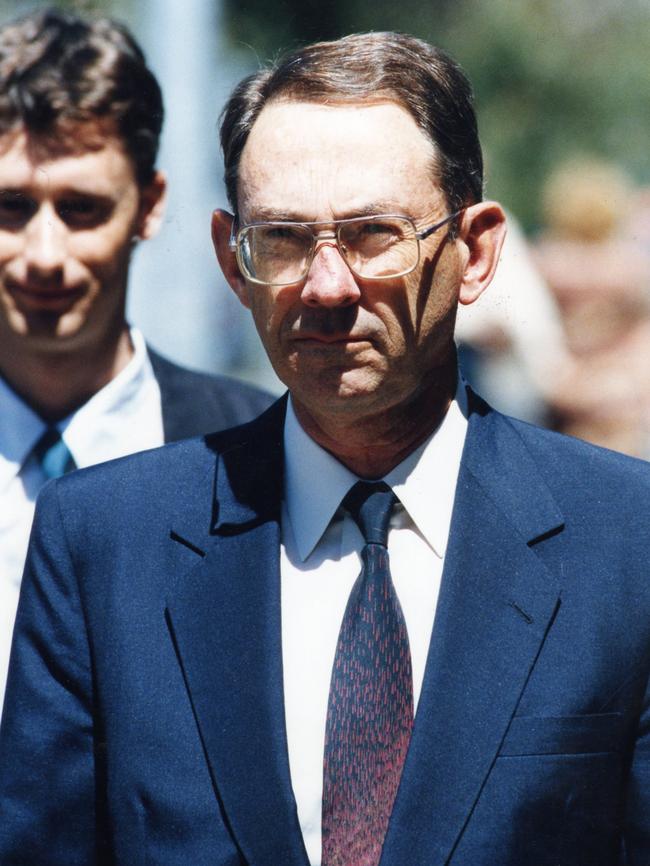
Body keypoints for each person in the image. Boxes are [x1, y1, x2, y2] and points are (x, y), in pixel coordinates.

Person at [1, 30, 649, 866]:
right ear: (232, 265)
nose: (327, 285)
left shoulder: (624, 542)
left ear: (476, 250)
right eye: (283, 239)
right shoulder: (103, 544)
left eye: (375, 234)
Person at [0, 9, 273, 710]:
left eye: (83, 209)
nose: (44, 254)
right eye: (11, 207)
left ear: (149, 206)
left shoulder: (258, 453)